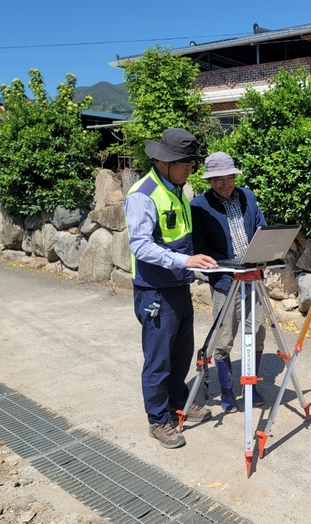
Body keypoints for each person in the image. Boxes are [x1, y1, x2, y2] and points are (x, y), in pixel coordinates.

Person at [125, 128, 219, 449]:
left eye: (193, 162)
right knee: (158, 357)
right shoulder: (143, 194)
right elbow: (141, 246)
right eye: (187, 163)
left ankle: (179, 400)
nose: (192, 168)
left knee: (181, 350)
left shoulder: (178, 188)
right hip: (154, 289)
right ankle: (157, 419)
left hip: (178, 285)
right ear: (165, 162)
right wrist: (184, 261)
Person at [190, 151, 268, 413]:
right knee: (224, 340)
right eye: (218, 180)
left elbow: (261, 226)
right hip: (225, 281)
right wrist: (226, 264)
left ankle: (251, 386)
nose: (226, 184)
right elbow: (199, 247)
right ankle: (226, 392)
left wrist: (266, 252)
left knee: (256, 333)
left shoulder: (248, 195)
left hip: (253, 279)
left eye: (229, 178)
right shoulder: (199, 206)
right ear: (210, 181)